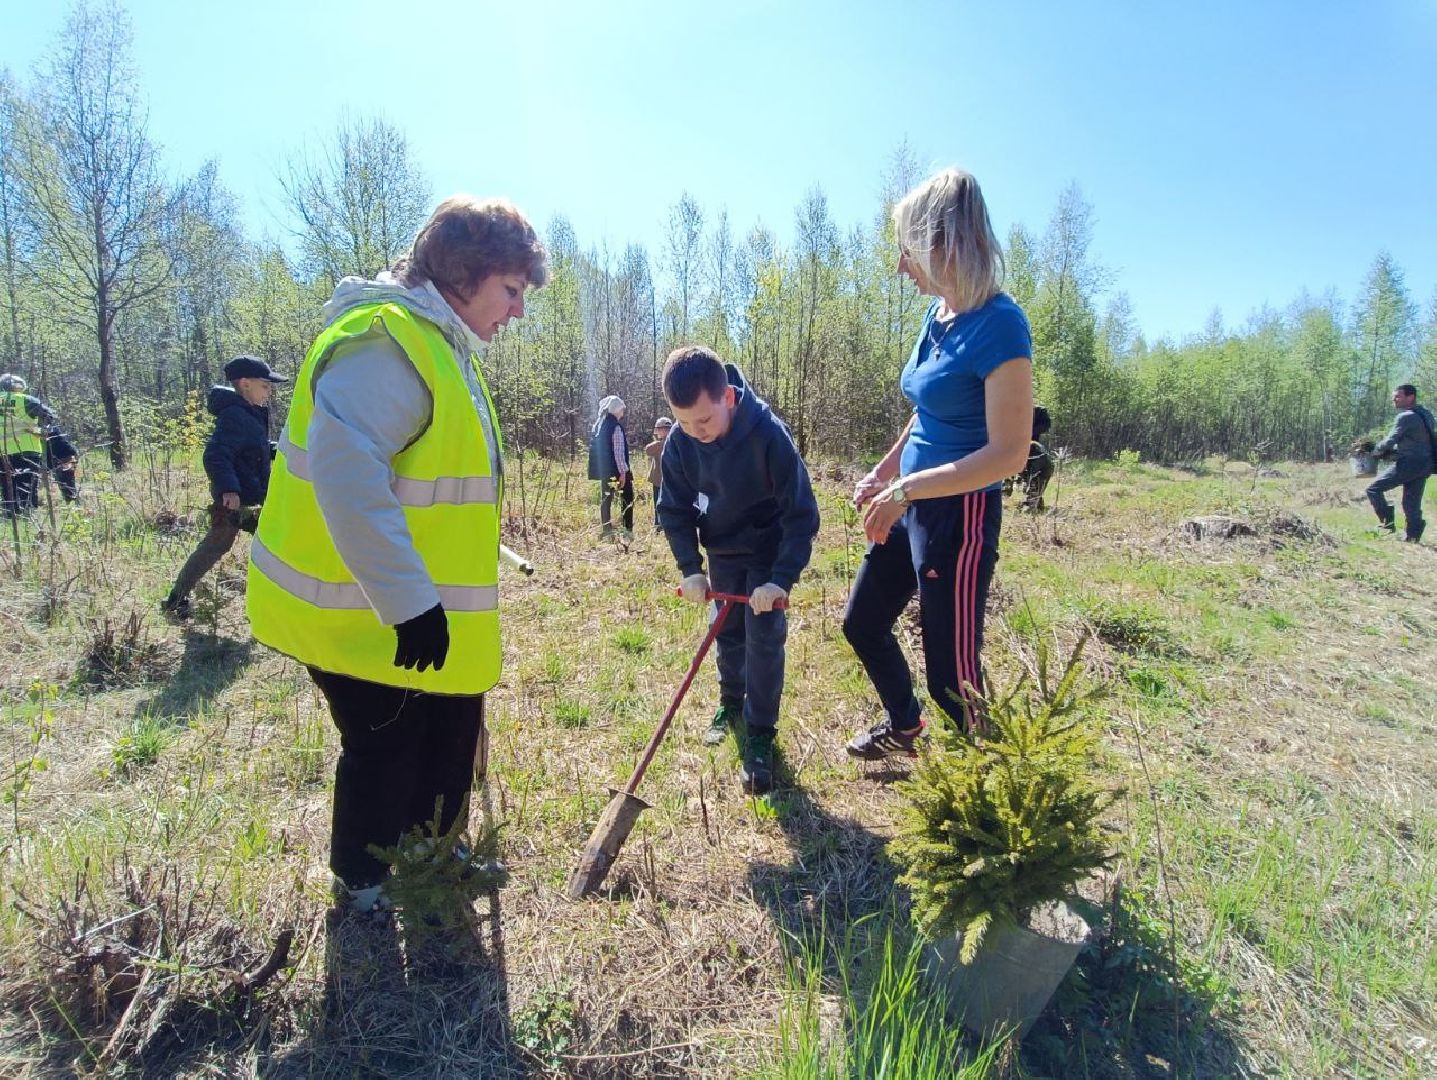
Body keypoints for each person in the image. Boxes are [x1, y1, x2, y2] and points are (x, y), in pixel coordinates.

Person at [247, 195, 546, 917]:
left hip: (417, 611)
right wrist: (410, 605)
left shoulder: (437, 345)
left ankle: (434, 856)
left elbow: (422, 481)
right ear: (463, 273)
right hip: (362, 617)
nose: (517, 312)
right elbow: (347, 482)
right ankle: (365, 883)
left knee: (446, 731)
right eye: (510, 291)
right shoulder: (386, 344)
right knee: (385, 747)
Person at [844, 168, 1034, 760]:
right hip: (912, 498)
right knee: (862, 621)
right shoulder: (938, 317)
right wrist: (886, 473)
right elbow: (925, 411)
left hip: (960, 512)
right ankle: (907, 728)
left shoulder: (1002, 323)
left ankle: (993, 795)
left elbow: (1009, 453)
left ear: (944, 245)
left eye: (909, 251)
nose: (902, 267)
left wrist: (906, 489)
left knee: (953, 676)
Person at [658, 346, 819, 795]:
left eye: (703, 421)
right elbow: (673, 509)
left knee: (763, 640)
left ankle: (762, 734)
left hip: (767, 550)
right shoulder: (681, 441)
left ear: (728, 397)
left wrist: (780, 579)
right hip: (722, 549)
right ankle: (731, 703)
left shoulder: (769, 435)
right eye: (684, 422)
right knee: (726, 631)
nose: (695, 432)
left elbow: (801, 514)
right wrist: (690, 568)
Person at [160, 356, 285, 618]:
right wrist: (230, 490)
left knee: (274, 543)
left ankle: (275, 602)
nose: (269, 391)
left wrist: (283, 450)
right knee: (218, 546)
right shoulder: (234, 415)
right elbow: (216, 454)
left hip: (251, 497)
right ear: (245, 384)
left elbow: (254, 448)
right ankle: (175, 600)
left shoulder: (250, 413)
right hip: (236, 502)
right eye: (265, 385)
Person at [1367, 383, 1435, 543]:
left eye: (1398, 396)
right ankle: (1412, 535)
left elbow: (1391, 440)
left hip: (1409, 463)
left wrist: (1375, 451)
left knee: (1373, 489)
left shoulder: (1405, 417)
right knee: (1411, 501)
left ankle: (1387, 524)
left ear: (1410, 397)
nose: (1394, 399)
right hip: (1426, 463)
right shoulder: (1426, 414)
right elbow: (1417, 440)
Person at [0, 373, 56, 518]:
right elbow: (49, 416)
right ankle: (28, 513)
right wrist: (41, 431)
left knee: (7, 485)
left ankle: (10, 513)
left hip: (2, 452)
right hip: (27, 449)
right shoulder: (26, 400)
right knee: (28, 484)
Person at [588, 395, 633, 541]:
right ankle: (627, 530)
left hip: (605, 471)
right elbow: (618, 452)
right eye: (621, 410)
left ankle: (607, 531)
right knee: (627, 499)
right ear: (616, 409)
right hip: (616, 472)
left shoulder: (600, 425)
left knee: (606, 500)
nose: (622, 413)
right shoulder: (615, 426)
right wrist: (623, 473)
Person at [1012, 405, 1054, 512]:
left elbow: (1046, 425)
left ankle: (1033, 500)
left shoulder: (1039, 412)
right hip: (1025, 453)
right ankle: (1036, 501)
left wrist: (1028, 433)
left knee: (1028, 506)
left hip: (1036, 458)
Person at [644, 416, 674, 530]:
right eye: (662, 429)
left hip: (668, 480)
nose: (664, 431)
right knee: (659, 502)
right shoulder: (659, 444)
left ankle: (664, 524)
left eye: (666, 429)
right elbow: (648, 450)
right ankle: (658, 524)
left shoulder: (671, 443)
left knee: (666, 503)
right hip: (659, 480)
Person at [43, 423, 80, 504]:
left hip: (64, 458)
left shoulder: (50, 432)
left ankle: (72, 501)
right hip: (66, 457)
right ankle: (72, 501)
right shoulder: (54, 429)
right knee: (67, 481)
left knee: (65, 481)